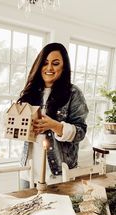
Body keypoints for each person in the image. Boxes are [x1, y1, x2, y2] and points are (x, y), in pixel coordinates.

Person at [18, 42, 89, 188]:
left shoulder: (73, 94)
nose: (49, 68)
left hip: (58, 173)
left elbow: (80, 132)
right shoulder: (31, 92)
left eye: (55, 63)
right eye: (45, 63)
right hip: (28, 171)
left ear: (64, 66)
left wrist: (55, 126)